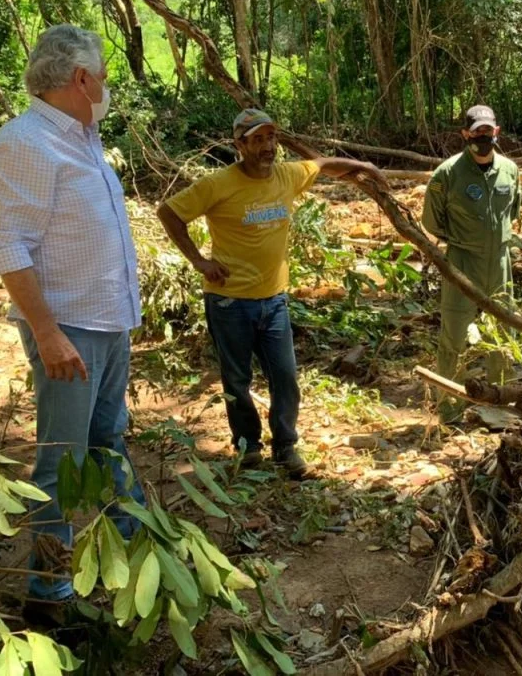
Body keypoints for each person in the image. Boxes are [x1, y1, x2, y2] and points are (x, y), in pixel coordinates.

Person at [0, 24, 147, 608]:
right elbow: (7, 246)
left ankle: (136, 544)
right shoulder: (25, 142)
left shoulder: (83, 136)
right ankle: (47, 592)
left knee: (109, 440)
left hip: (107, 322)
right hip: (69, 331)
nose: (105, 88)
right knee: (61, 461)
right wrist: (47, 334)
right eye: (101, 78)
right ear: (81, 79)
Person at [157, 108, 386, 477]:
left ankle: (285, 448)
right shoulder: (218, 184)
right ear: (240, 144)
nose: (267, 147)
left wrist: (365, 166)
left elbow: (324, 164)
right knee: (237, 380)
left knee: (285, 378)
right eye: (258, 139)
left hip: (274, 300)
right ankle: (248, 448)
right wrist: (199, 261)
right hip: (229, 301)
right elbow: (168, 212)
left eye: (271, 138)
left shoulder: (286, 175)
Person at [421, 105, 522, 423]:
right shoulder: (447, 174)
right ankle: (449, 409)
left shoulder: (510, 170)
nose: (482, 137)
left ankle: (499, 405)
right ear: (465, 134)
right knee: (454, 334)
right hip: (462, 263)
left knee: (502, 336)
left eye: (487, 131)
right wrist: (463, 242)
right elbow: (431, 221)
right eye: (476, 131)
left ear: (497, 131)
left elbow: (512, 212)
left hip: (500, 263)